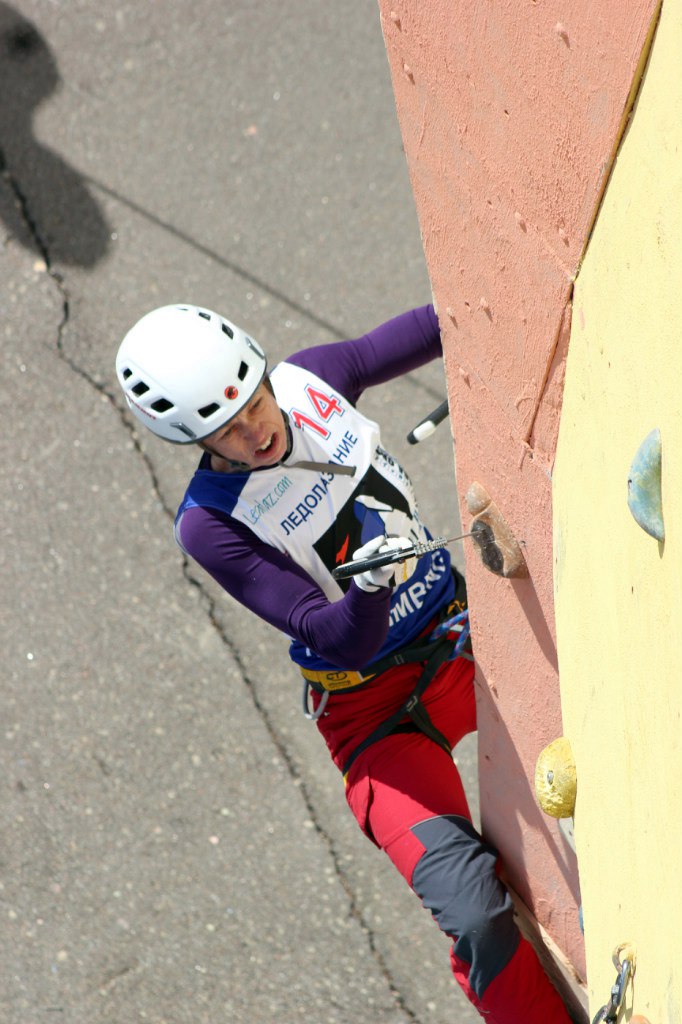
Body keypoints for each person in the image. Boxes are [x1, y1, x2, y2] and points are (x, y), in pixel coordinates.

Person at [115, 302, 572, 1024]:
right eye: (225, 433)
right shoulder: (209, 526)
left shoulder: (314, 379)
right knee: (476, 915)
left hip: (461, 638)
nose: (255, 430)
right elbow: (333, 637)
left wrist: (543, 315)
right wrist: (366, 584)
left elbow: (449, 317)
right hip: (377, 718)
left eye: (254, 400)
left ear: (266, 374)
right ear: (195, 444)